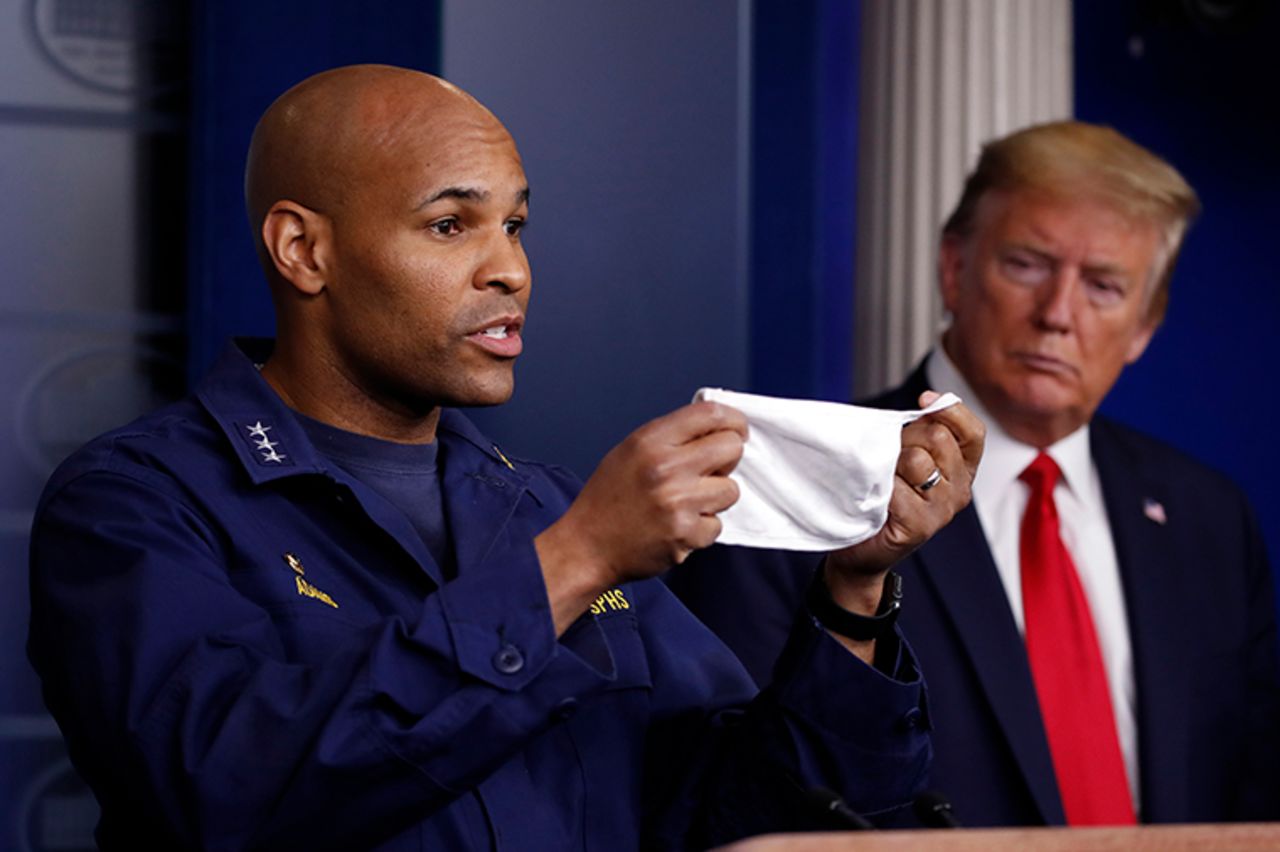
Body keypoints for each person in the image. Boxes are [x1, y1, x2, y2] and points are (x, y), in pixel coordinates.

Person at [26, 65, 984, 850]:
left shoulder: (542, 507)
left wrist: (851, 596)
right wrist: (576, 564)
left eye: (515, 225)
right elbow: (229, 794)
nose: (511, 270)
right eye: (451, 225)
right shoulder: (136, 503)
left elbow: (746, 820)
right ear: (302, 251)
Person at [669, 121, 1280, 827]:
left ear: (1145, 324)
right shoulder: (787, 483)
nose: (1058, 315)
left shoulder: (1207, 518)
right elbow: (726, 806)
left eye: (1104, 286)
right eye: (1026, 265)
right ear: (954, 269)